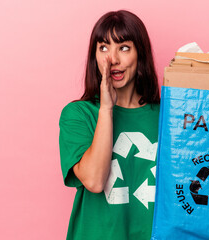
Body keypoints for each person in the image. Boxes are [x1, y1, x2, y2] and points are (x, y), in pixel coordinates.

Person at [59, 10, 160, 240]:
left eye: (124, 47)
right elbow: (94, 181)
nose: (112, 59)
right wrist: (106, 109)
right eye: (103, 47)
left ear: (140, 54)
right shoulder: (78, 114)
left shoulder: (168, 116)